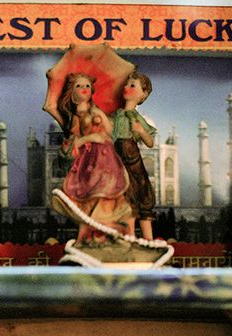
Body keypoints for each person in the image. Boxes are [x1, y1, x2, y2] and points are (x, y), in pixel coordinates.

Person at [49, 72, 132, 243]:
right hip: (90, 161)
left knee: (109, 193)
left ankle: (109, 231)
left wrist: (101, 117)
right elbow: (74, 142)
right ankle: (91, 234)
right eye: (79, 86)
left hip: (107, 158)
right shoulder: (75, 118)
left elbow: (110, 131)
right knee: (92, 193)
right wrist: (90, 138)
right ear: (72, 94)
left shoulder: (96, 110)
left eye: (87, 85)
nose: (84, 89)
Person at [111, 71, 157, 241]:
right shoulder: (116, 116)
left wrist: (141, 131)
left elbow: (150, 142)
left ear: (143, 95)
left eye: (132, 85)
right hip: (117, 158)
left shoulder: (136, 118)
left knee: (141, 191)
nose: (126, 88)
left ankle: (148, 240)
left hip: (132, 157)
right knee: (125, 196)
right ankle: (129, 237)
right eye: (127, 84)